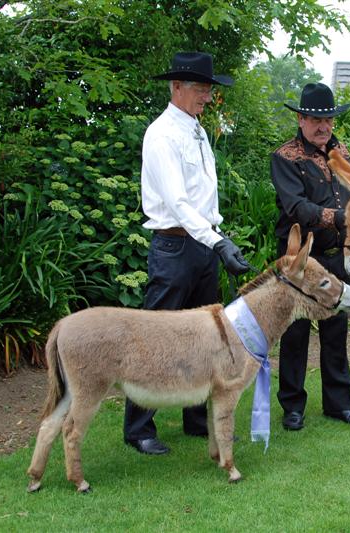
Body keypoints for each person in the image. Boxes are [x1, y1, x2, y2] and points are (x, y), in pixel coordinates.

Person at [125, 52, 252, 455]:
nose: (207, 98)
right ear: (176, 87)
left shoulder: (195, 129)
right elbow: (178, 203)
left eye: (209, 90)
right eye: (200, 89)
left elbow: (202, 198)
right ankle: (139, 428)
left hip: (202, 244)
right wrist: (217, 241)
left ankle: (196, 417)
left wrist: (216, 237)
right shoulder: (161, 134)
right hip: (175, 245)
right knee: (153, 339)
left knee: (204, 337)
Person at [270, 82, 350, 431]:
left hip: (334, 255)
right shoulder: (284, 157)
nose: (322, 126)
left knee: (336, 329)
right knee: (295, 333)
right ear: (300, 118)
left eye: (327, 120)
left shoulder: (340, 153)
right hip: (300, 259)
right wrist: (340, 218)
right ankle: (293, 407)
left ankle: (339, 405)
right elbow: (296, 207)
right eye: (315, 119)